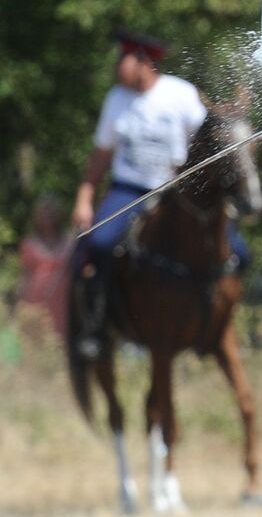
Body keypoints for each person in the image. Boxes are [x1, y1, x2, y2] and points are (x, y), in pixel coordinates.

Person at [69, 30, 209, 359]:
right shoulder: (116, 100)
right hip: (128, 191)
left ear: (144, 62)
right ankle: (96, 327)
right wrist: (84, 197)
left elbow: (205, 143)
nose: (118, 66)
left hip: (175, 194)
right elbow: (101, 156)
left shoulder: (181, 93)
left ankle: (212, 326)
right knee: (97, 244)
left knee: (235, 251)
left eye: (124, 59)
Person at [17, 194, 74, 338]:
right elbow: (25, 276)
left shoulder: (71, 241)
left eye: (51, 212)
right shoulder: (29, 243)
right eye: (44, 212)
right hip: (36, 300)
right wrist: (20, 305)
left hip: (63, 302)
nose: (48, 216)